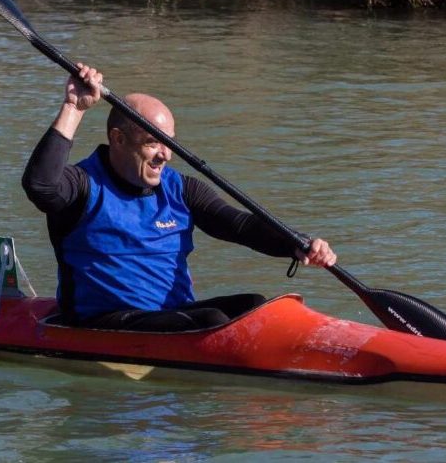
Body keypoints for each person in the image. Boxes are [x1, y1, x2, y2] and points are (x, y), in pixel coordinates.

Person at [22, 63, 337, 332]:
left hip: (173, 318)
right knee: (213, 320)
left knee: (253, 305)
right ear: (118, 139)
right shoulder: (82, 186)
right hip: (101, 321)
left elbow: (239, 225)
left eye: (169, 143)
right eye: (153, 143)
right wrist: (74, 108)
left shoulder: (181, 190)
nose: (166, 156)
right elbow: (41, 186)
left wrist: (296, 243)